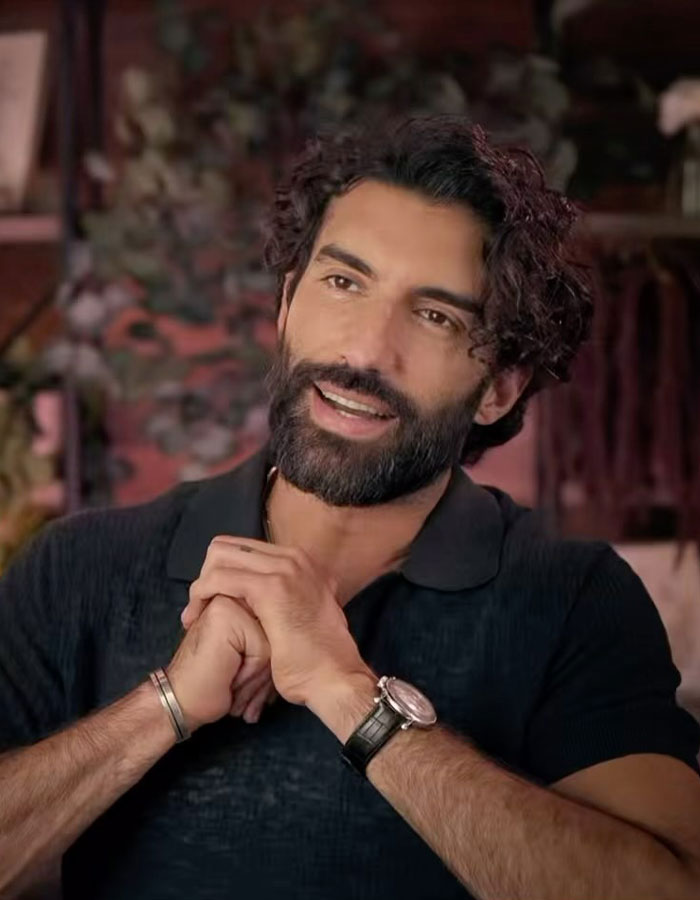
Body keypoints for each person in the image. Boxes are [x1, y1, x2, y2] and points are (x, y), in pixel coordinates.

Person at [1, 115, 699, 900]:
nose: (364, 351)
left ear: (500, 386)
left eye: (435, 316)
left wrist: (350, 695)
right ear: (288, 303)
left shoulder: (574, 600)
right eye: (344, 282)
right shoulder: (79, 568)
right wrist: (164, 706)